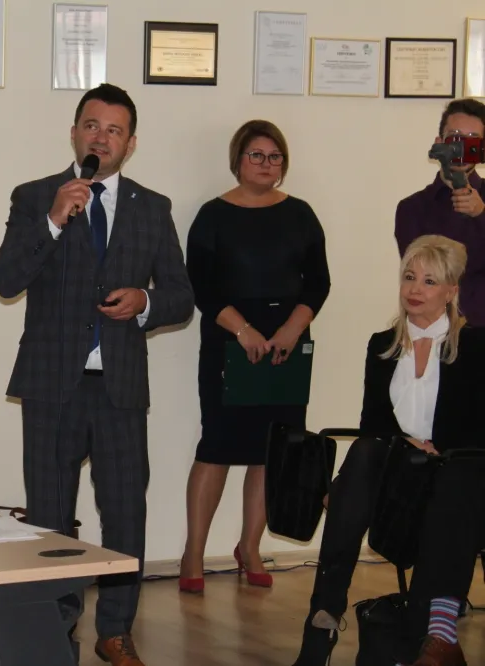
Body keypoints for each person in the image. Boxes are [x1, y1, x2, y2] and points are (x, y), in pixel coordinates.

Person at [0, 83, 194, 666]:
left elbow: (181, 296)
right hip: (51, 383)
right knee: (50, 516)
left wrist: (145, 303)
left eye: (113, 130)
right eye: (91, 126)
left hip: (120, 387)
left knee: (125, 511)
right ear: (74, 132)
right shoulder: (36, 197)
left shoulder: (152, 208)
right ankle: (55, 632)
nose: (100, 138)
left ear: (130, 143)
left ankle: (115, 631)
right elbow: (6, 279)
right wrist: (54, 222)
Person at [292, 235, 485, 666]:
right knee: (364, 453)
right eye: (409, 277)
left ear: (451, 291)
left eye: (429, 281)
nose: (414, 289)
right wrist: (405, 444)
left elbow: (477, 430)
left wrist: (436, 449)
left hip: (456, 470)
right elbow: (373, 424)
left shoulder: (475, 347)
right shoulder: (382, 344)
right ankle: (324, 614)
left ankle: (435, 632)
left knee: (456, 478)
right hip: (400, 469)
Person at [180, 120, 331, 593]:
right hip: (230, 343)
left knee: (272, 451)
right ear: (238, 160)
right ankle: (193, 552)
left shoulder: (301, 214)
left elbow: (318, 282)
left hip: (287, 347)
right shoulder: (212, 215)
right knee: (218, 447)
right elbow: (202, 286)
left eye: (275, 156)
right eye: (257, 155)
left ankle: (250, 546)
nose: (267, 164)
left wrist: (291, 330)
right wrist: (244, 331)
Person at [396, 98, 485, 326]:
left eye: (471, 140)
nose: (461, 148)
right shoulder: (412, 209)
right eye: (455, 138)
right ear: (439, 142)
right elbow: (424, 274)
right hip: (430, 330)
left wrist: (481, 215)